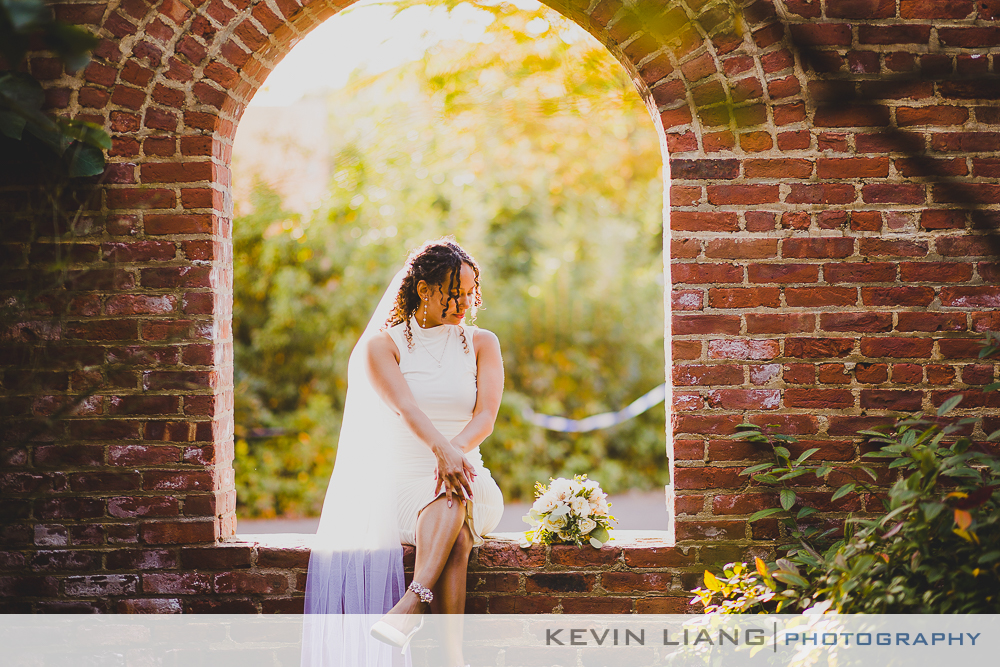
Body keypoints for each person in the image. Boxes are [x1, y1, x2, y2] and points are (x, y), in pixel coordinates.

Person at [302, 239, 505, 667]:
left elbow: (486, 416)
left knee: (455, 492)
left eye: (469, 293)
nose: (463, 302)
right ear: (423, 290)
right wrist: (441, 454)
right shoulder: (384, 347)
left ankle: (413, 604)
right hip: (404, 486)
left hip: (470, 472)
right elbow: (405, 407)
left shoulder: (483, 342)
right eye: (453, 292)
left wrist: (454, 455)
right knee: (458, 530)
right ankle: (452, 656)